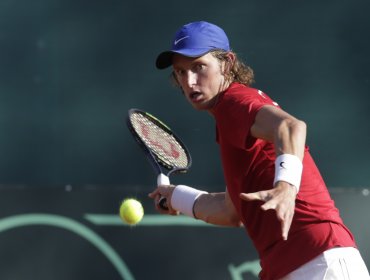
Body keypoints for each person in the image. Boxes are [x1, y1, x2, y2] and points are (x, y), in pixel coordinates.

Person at [148, 21, 370, 279]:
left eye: (199, 67)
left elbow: (290, 126)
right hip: (295, 265)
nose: (190, 81)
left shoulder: (235, 102)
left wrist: (286, 188)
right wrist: (175, 198)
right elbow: (232, 211)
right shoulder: (227, 119)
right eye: (180, 72)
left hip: (320, 259)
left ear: (227, 63)